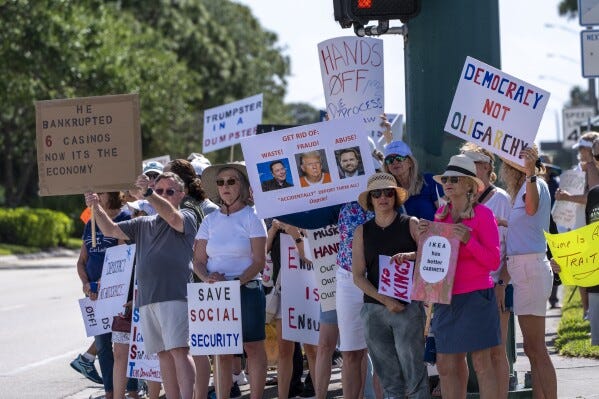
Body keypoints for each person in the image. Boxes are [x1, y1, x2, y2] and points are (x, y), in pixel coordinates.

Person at [85, 172, 198, 399]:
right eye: (159, 191)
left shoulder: (187, 215)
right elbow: (110, 230)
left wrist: (148, 193)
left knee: (179, 350)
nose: (163, 195)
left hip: (174, 295)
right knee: (163, 354)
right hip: (147, 299)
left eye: (169, 191)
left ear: (181, 195)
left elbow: (174, 219)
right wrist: (96, 207)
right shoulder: (143, 222)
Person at [424, 154, 501, 399]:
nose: (448, 183)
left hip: (477, 296)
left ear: (469, 184)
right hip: (446, 298)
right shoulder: (440, 216)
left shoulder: (484, 215)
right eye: (446, 178)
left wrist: (468, 240)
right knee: (445, 365)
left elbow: (493, 261)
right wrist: (422, 241)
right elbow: (435, 261)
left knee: (481, 363)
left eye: (454, 179)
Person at [193, 163, 267, 399]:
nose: (225, 186)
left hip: (247, 290)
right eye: (220, 182)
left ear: (243, 186)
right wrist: (207, 278)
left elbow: (258, 260)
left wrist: (237, 282)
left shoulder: (253, 217)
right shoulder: (209, 220)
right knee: (221, 352)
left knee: (253, 347)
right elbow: (198, 260)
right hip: (217, 294)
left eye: (231, 181)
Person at [352, 172, 429, 398]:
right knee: (389, 382)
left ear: (395, 197)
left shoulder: (411, 223)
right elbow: (358, 275)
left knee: (415, 378)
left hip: (407, 307)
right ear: (370, 199)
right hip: (374, 309)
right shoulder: (362, 231)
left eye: (388, 192)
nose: (383, 197)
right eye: (377, 193)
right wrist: (385, 300)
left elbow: (432, 257)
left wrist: (411, 255)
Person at [500, 145, 557, 399]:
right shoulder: (526, 187)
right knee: (533, 349)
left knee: (537, 348)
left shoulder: (533, 183)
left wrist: (530, 171)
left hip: (530, 269)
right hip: (525, 269)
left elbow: (532, 209)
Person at [461, 143, 512, 397]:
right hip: (466, 287)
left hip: (494, 286)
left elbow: (511, 248)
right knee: (472, 356)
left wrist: (502, 283)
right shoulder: (458, 199)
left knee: (496, 351)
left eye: (473, 161)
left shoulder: (501, 199)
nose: (468, 166)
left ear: (487, 167)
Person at [76, 192, 138, 399]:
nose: (95, 196)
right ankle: (110, 392)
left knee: (124, 343)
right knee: (103, 345)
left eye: (100, 192)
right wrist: (86, 284)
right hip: (94, 296)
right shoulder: (89, 224)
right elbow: (81, 261)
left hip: (120, 293)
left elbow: (123, 258)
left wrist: (106, 284)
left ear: (111, 194)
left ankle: (132, 389)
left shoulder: (125, 220)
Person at [556, 132, 599, 319]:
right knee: (583, 271)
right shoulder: (578, 169)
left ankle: (592, 310)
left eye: (583, 148)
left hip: (591, 227)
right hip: (580, 226)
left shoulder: (592, 168)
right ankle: (587, 310)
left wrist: (566, 197)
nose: (580, 152)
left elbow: (592, 196)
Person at [383, 140, 443, 221]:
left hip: (434, 232)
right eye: (389, 160)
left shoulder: (429, 181)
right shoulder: (387, 192)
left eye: (399, 158)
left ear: (410, 162)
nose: (394, 162)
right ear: (387, 166)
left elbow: (444, 215)